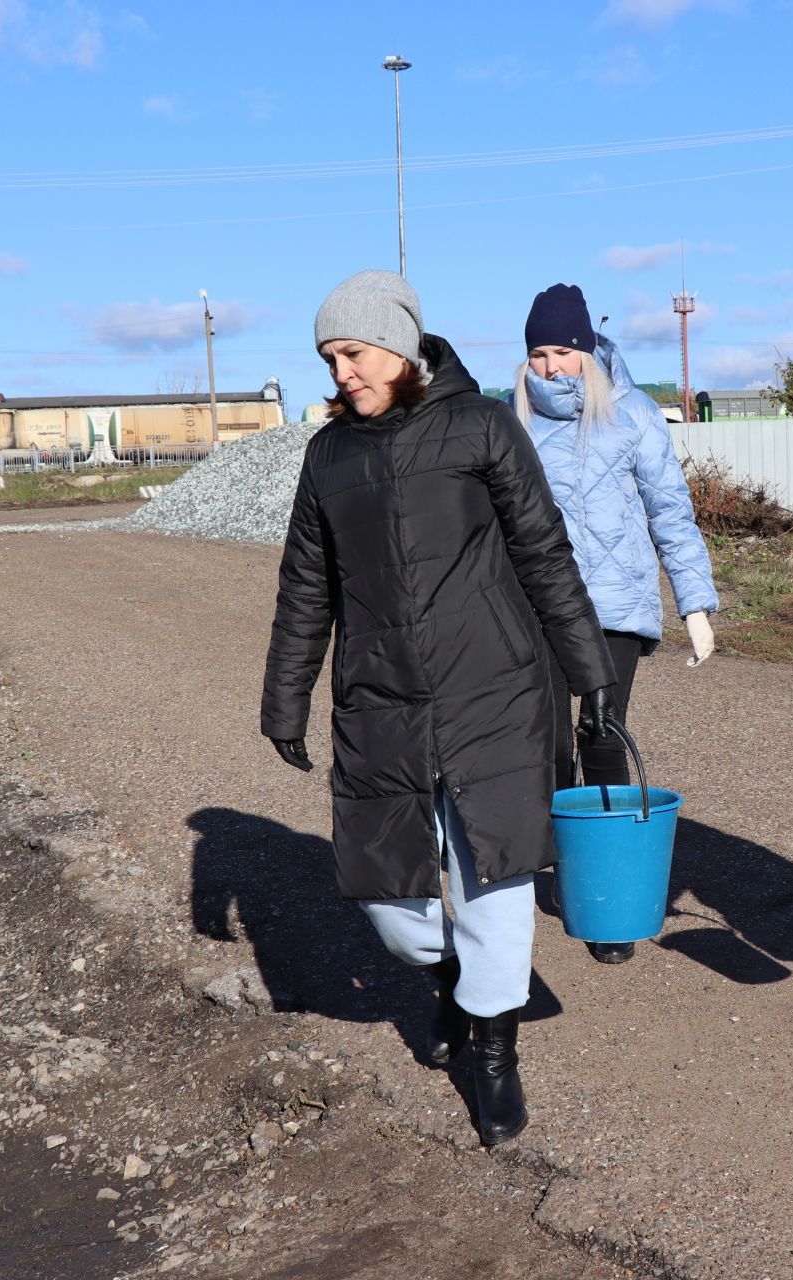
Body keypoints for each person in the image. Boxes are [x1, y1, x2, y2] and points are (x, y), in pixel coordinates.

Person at [262, 270, 617, 1148]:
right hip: (380, 699)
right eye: (329, 359)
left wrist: (588, 670)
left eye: (351, 353)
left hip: (493, 685)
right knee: (395, 905)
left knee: (493, 873)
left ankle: (493, 1055)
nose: (340, 372)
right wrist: (284, 699)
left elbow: (542, 549)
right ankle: (455, 977)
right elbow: (307, 587)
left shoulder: (483, 425)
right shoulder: (328, 457)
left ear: (400, 344)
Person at [512, 283, 721, 965]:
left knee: (601, 731)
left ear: (585, 353)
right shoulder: (512, 424)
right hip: (537, 608)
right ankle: (562, 866)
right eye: (538, 353)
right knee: (541, 741)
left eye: (561, 352)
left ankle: (607, 904)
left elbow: (670, 512)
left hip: (614, 609)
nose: (549, 367)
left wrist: (695, 603)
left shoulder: (631, 416)